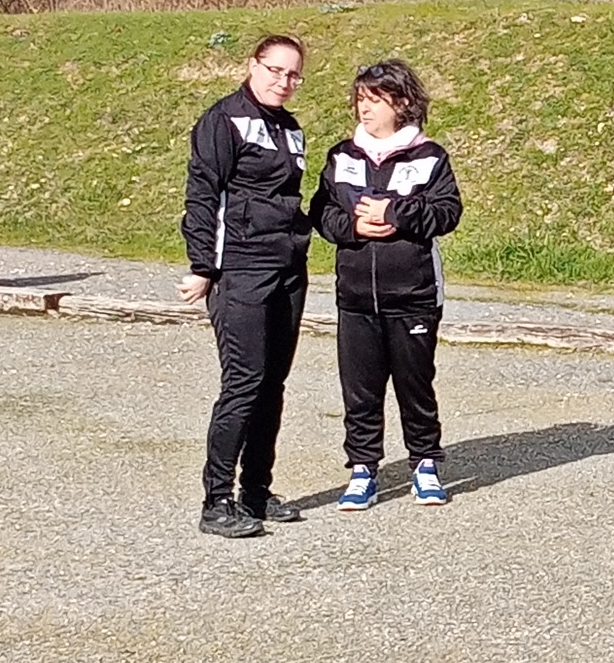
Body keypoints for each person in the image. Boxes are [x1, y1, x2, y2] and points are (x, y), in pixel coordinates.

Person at [309, 58, 463, 510]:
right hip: (355, 297)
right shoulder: (341, 156)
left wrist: (394, 215)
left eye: (375, 100)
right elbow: (321, 212)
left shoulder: (429, 156)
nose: (364, 108)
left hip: (412, 296)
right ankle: (362, 470)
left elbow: (447, 213)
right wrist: (354, 228)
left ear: (401, 102)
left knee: (416, 385)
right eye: (360, 99)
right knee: (359, 388)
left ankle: (425, 466)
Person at [180, 35, 313, 539]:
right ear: (253, 66)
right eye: (275, 70)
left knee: (272, 385)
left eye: (294, 74)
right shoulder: (224, 120)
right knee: (243, 383)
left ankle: (256, 491)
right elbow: (203, 196)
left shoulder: (290, 127)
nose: (284, 81)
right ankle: (216, 500)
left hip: (287, 267)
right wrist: (203, 267)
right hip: (241, 267)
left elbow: (289, 198)